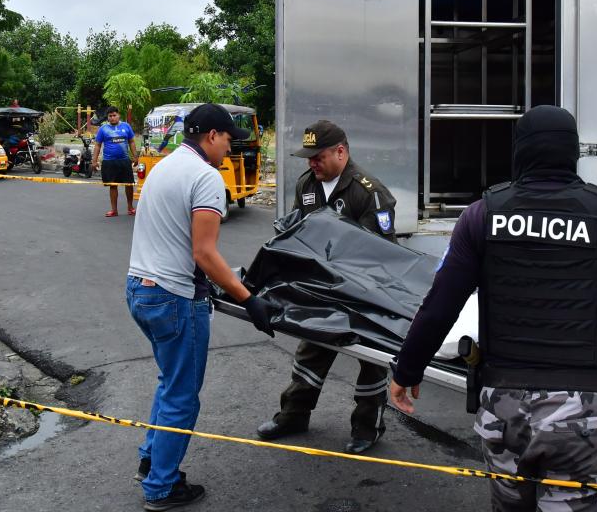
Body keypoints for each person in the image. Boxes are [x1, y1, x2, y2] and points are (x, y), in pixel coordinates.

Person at [389, 105, 597, 512]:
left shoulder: (482, 216)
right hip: (587, 414)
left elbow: (440, 305)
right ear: (573, 152)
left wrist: (407, 371)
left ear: (520, 152)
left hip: (505, 409)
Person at [126, 102, 275, 511]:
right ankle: (161, 486)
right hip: (173, 298)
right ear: (211, 136)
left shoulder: (165, 167)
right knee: (182, 395)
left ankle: (151, 459)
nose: (230, 149)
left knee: (170, 381)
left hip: (139, 287)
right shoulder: (206, 177)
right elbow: (205, 254)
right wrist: (250, 299)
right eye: (229, 139)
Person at [256, 120, 399, 455]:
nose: (311, 163)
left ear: (340, 152)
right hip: (322, 292)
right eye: (308, 157)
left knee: (371, 361)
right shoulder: (307, 184)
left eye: (317, 156)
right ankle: (293, 416)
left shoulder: (369, 192)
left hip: (366, 295)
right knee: (310, 352)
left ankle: (368, 427)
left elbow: (381, 253)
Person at [92, 105, 138, 217]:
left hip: (124, 161)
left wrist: (135, 156)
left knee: (129, 184)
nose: (112, 118)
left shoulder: (126, 126)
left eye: (114, 115)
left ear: (118, 115)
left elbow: (131, 142)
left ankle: (130, 208)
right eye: (110, 116)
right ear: (107, 117)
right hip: (109, 161)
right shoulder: (103, 129)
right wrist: (94, 161)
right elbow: (98, 145)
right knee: (113, 185)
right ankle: (114, 210)